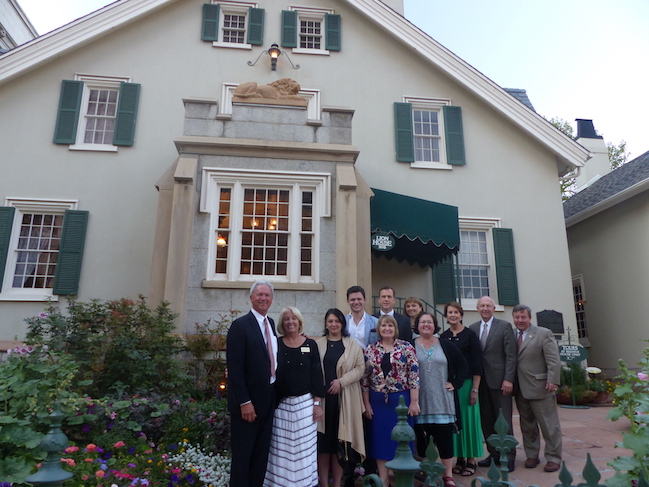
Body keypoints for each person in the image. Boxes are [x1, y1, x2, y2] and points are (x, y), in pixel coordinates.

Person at [264, 306, 326, 487]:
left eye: (294, 319)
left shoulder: (310, 345)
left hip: (305, 406)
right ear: (282, 323)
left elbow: (316, 375)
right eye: (286, 319)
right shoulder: (275, 343)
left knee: (304, 450)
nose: (290, 322)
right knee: (280, 449)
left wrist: (317, 403)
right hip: (281, 407)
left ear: (299, 322)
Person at [226, 280, 278, 487]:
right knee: (243, 455)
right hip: (248, 404)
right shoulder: (240, 326)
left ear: (271, 300)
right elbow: (235, 369)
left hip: (268, 399)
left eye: (267, 295)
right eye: (259, 295)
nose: (263, 298)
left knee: (260, 455)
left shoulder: (271, 324)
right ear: (251, 298)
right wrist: (244, 402)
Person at [362, 315, 420, 487]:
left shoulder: (406, 347)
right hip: (377, 402)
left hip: (400, 402)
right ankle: (384, 480)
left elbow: (414, 376)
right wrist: (366, 404)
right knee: (380, 442)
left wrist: (414, 401)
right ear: (378, 329)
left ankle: (400, 478)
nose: (387, 328)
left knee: (400, 440)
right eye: (383, 326)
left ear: (395, 329)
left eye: (390, 326)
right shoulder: (370, 350)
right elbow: (365, 380)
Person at [414, 312, 468, 487]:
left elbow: (463, 365)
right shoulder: (410, 346)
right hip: (421, 402)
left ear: (435, 325)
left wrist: (455, 383)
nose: (426, 325)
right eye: (423, 322)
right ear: (418, 326)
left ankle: (448, 475)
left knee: (445, 440)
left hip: (443, 401)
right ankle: (426, 472)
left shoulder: (445, 345)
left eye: (429, 322)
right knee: (422, 441)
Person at [316, 308, 366, 487]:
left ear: (342, 324)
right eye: (330, 321)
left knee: (340, 442)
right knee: (323, 444)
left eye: (337, 321)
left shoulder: (352, 344)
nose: (333, 324)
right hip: (322, 401)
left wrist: (341, 382)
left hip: (344, 400)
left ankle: (337, 483)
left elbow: (360, 369)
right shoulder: (318, 344)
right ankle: (324, 483)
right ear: (326, 324)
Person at [512, 304, 562, 473]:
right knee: (527, 426)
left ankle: (554, 457)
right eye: (517, 317)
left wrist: (553, 380)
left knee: (549, 425)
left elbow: (553, 359)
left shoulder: (543, 334)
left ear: (529, 318)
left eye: (523, 317)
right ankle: (531, 455)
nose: (520, 320)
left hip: (541, 387)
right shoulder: (511, 335)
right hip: (520, 389)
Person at [469, 296, 517, 472]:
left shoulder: (504, 326)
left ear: (494, 308)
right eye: (482, 306)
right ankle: (493, 454)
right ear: (477, 308)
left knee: (503, 420)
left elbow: (511, 355)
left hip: (500, 381)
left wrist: (508, 379)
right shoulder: (473, 328)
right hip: (481, 382)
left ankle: (509, 455)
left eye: (488, 306)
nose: (485, 308)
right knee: (487, 420)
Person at [439, 302, 484, 477]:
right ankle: (459, 458)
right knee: (454, 422)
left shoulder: (470, 335)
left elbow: (476, 363)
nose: (452, 315)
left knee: (469, 420)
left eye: (456, 312)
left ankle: (471, 459)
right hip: (450, 385)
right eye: (449, 312)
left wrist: (475, 389)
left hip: (466, 385)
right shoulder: (443, 337)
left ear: (461, 314)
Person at [345, 285, 378, 350]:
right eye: (352, 300)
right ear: (348, 302)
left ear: (364, 300)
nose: (356, 302)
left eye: (359, 299)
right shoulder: (342, 321)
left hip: (367, 359)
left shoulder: (375, 322)